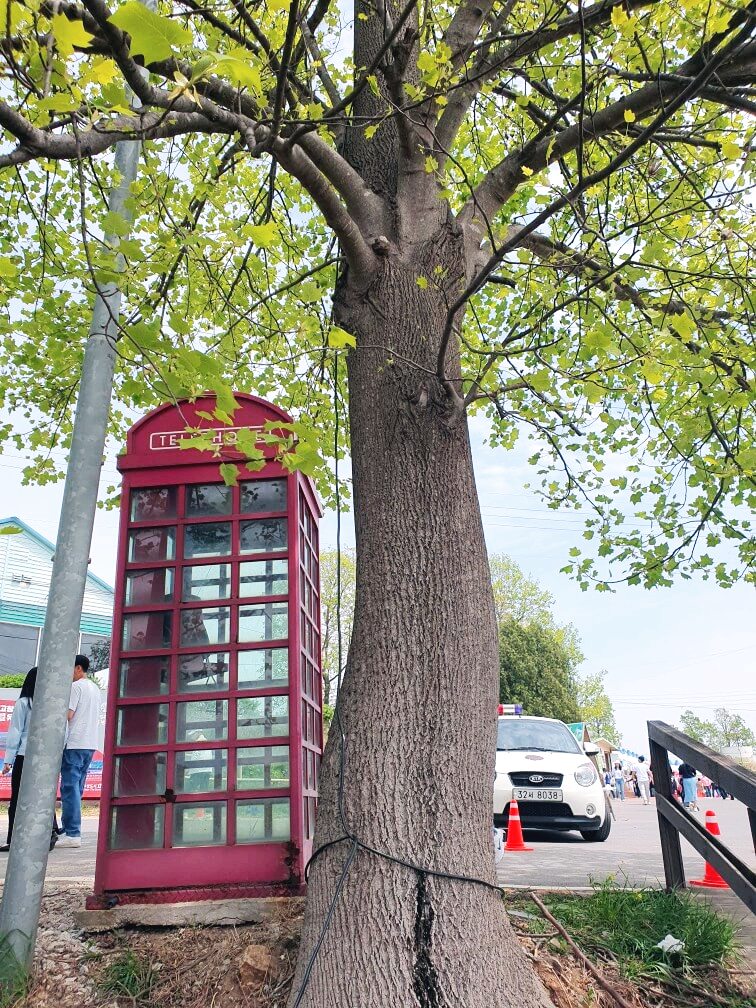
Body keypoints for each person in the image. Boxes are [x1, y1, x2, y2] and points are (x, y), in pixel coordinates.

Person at [1, 667, 59, 852]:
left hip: (24, 756)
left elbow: (15, 731)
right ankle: (49, 834)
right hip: (46, 757)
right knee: (44, 796)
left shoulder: (24, 703)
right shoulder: (53, 704)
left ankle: (13, 839)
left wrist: (8, 760)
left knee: (17, 799)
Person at [58, 655, 101, 849]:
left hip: (75, 742)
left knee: (69, 788)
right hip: (90, 743)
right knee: (77, 789)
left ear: (77, 668)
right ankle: (69, 829)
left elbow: (68, 715)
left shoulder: (76, 687)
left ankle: (72, 833)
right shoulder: (94, 688)